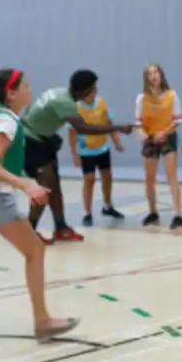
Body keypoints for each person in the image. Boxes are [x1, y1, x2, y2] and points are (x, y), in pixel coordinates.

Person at [0, 69, 79, 341]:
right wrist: (25, 184)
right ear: (11, 93)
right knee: (35, 251)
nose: (31, 90)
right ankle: (43, 322)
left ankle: (43, 321)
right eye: (26, 86)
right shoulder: (7, 121)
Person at [20, 69, 133, 243]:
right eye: (93, 87)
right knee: (44, 189)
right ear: (85, 90)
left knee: (54, 187)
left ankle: (61, 228)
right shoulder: (65, 102)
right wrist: (117, 128)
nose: (95, 91)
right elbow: (83, 128)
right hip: (31, 143)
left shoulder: (59, 92)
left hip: (42, 140)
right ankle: (29, 232)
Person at [67, 86, 126, 226]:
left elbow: (109, 125)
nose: (93, 94)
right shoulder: (76, 109)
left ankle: (107, 206)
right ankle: (87, 213)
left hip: (102, 149)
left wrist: (117, 142)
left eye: (94, 91)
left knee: (107, 177)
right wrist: (74, 154)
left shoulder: (101, 103)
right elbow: (71, 133)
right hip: (86, 151)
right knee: (89, 179)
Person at [136, 63, 182, 230]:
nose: (154, 76)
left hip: (167, 137)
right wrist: (142, 132)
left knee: (171, 175)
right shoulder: (142, 98)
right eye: (150, 73)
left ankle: (178, 214)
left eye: (156, 72)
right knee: (149, 178)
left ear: (161, 75)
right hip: (150, 138)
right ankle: (153, 212)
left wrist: (165, 132)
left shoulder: (172, 95)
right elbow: (139, 122)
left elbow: (177, 120)